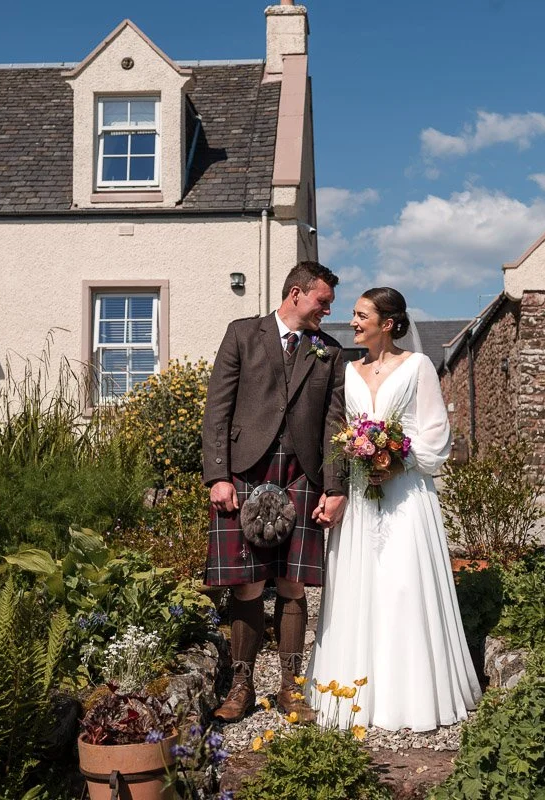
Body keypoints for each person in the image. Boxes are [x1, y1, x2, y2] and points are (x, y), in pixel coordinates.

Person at [306, 287, 481, 731]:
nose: (354, 321)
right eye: (354, 314)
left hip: (405, 497)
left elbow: (436, 435)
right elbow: (339, 432)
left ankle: (413, 695)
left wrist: (396, 457)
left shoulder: (418, 366)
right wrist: (355, 458)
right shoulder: (347, 372)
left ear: (387, 322)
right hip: (362, 500)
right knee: (357, 586)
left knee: (403, 587)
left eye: (362, 315)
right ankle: (351, 692)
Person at [201, 261, 348, 723]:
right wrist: (218, 475)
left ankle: (291, 688)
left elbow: (334, 424)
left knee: (292, 582)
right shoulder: (243, 334)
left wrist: (335, 486)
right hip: (245, 472)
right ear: (296, 294)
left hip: (303, 474)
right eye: (323, 301)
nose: (328, 309)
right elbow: (217, 409)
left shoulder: (330, 351)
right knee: (246, 583)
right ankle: (241, 687)